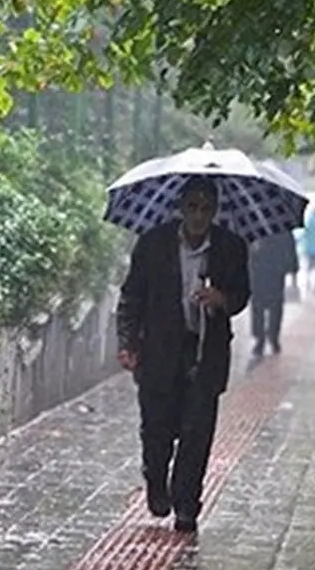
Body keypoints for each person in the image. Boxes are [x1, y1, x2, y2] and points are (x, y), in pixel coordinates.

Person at [115, 176, 251, 534]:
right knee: (157, 430)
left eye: (206, 208)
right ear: (180, 207)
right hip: (158, 352)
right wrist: (128, 342)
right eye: (192, 206)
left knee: (197, 432)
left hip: (205, 354)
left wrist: (221, 299)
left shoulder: (231, 248)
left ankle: (187, 504)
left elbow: (241, 295)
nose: (198, 215)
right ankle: (156, 482)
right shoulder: (153, 244)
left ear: (215, 211)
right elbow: (131, 298)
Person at [248, 230, 300, 357]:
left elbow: (289, 248)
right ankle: (265, 337)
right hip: (263, 270)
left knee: (269, 305)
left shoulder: (257, 227)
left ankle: (269, 337)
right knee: (264, 306)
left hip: (271, 271)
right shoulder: (280, 227)